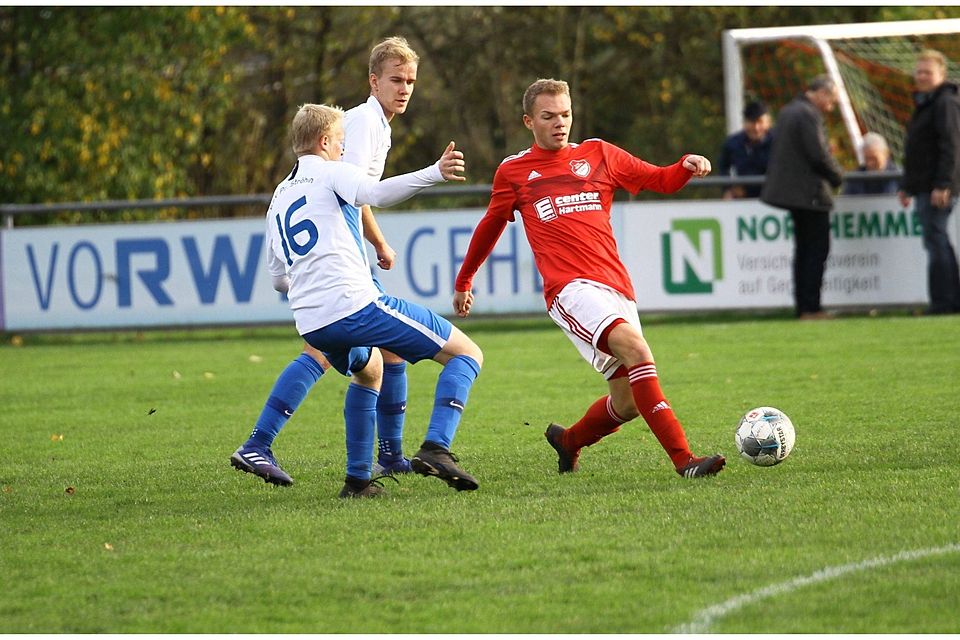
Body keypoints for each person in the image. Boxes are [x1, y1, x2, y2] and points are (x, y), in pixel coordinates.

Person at [453, 78, 724, 479]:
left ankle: (569, 441)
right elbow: (490, 226)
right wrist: (464, 281)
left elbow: (660, 179)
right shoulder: (513, 171)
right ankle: (684, 460)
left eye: (565, 114)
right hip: (570, 290)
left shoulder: (599, 154)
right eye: (548, 116)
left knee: (628, 401)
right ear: (529, 121)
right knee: (636, 350)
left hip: (616, 288)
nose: (559, 123)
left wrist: (685, 166)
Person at [262, 103, 481, 498]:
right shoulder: (332, 172)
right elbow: (375, 193)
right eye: (340, 142)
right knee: (467, 355)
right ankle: (436, 447)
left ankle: (358, 481)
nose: (344, 150)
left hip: (311, 321)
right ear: (324, 141)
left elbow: (279, 279)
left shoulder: (280, 195)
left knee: (371, 370)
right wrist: (433, 172)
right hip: (353, 307)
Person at [231, 37, 422, 487]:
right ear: (374, 81)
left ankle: (386, 457)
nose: (405, 88)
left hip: (340, 257)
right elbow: (351, 193)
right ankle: (260, 442)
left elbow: (353, 195)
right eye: (397, 80)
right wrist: (368, 249)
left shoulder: (377, 124)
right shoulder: (361, 125)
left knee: (374, 356)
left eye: (410, 81)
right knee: (327, 348)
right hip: (340, 260)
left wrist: (378, 243)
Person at [760, 75, 843, 320]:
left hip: (794, 194)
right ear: (821, 94)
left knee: (804, 250)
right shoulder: (808, 114)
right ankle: (811, 308)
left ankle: (804, 307)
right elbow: (817, 154)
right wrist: (838, 176)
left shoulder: (788, 111)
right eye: (832, 101)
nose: (831, 107)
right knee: (816, 250)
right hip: (809, 195)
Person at [897, 49, 960, 315]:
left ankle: (944, 302)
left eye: (927, 72)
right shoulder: (927, 103)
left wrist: (943, 184)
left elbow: (951, 145)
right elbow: (919, 151)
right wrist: (908, 185)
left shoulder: (945, 103)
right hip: (925, 185)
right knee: (936, 240)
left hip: (937, 187)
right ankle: (949, 300)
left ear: (941, 75)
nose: (921, 76)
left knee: (936, 239)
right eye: (919, 71)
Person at [718, 100, 772, 199]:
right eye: (752, 122)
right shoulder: (732, 143)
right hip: (743, 200)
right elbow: (722, 167)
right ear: (744, 123)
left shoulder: (778, 142)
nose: (756, 128)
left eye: (760, 122)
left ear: (768, 122)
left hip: (773, 198)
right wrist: (729, 188)